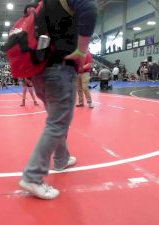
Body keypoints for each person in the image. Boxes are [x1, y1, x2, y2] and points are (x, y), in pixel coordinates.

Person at [19, 0, 98, 200]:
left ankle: (61, 159)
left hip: (39, 72)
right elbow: (89, 8)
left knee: (56, 119)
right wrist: (81, 51)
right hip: (60, 68)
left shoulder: (39, 4)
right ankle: (33, 176)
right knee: (58, 123)